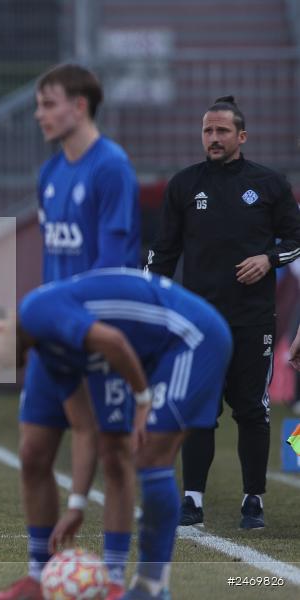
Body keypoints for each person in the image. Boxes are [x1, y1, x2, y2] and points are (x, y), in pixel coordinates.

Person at [0, 268, 232, 600]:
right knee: (149, 454)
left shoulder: (35, 311)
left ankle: (151, 589)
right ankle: (145, 588)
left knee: (151, 454)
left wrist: (142, 399)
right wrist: (76, 505)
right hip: (169, 346)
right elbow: (83, 428)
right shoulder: (48, 352)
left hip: (193, 336)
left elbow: (114, 341)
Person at [0, 64, 141, 600]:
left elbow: (114, 268)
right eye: (37, 104)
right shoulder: (50, 173)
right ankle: (37, 575)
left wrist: (77, 326)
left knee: (117, 457)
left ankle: (116, 582)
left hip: (99, 336)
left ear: (79, 106)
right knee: (32, 453)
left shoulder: (111, 168)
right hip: (55, 340)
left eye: (48, 103)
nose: (39, 114)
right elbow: (55, 260)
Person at [146, 96, 300, 529]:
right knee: (200, 410)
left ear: (242, 136)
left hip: (254, 318)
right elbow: (163, 251)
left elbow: (295, 239)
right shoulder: (183, 185)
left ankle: (254, 500)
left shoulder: (269, 184)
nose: (213, 139)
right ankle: (192, 498)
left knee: (252, 410)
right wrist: (151, 299)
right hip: (199, 323)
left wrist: (269, 259)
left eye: (222, 131)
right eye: (207, 131)